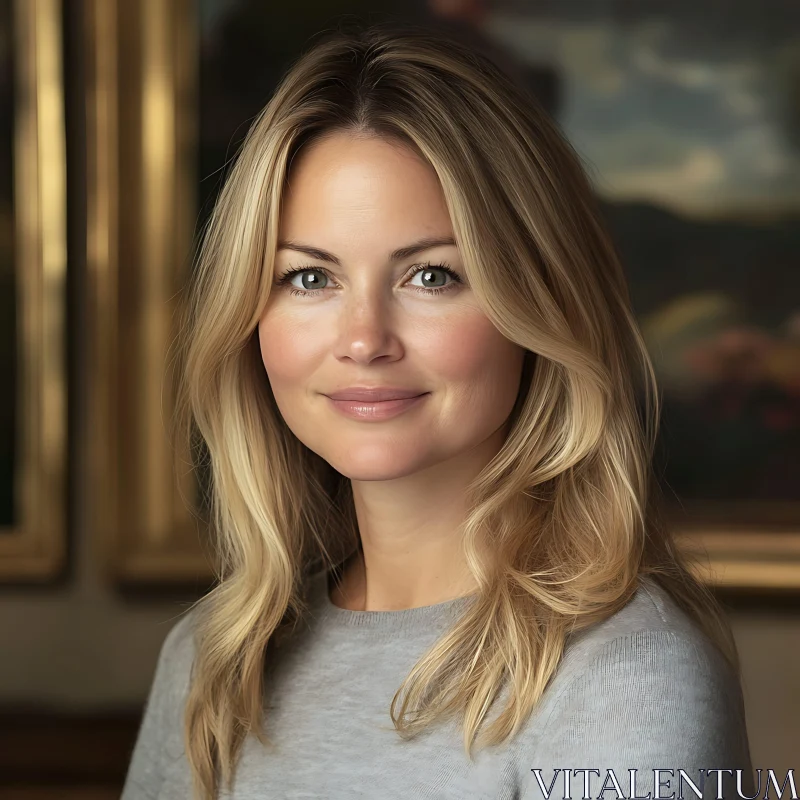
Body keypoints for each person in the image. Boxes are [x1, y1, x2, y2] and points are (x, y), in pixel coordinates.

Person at [121, 21, 755, 800]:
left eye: (431, 276)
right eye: (310, 279)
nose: (363, 339)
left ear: (541, 301)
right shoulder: (209, 660)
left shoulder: (627, 677)